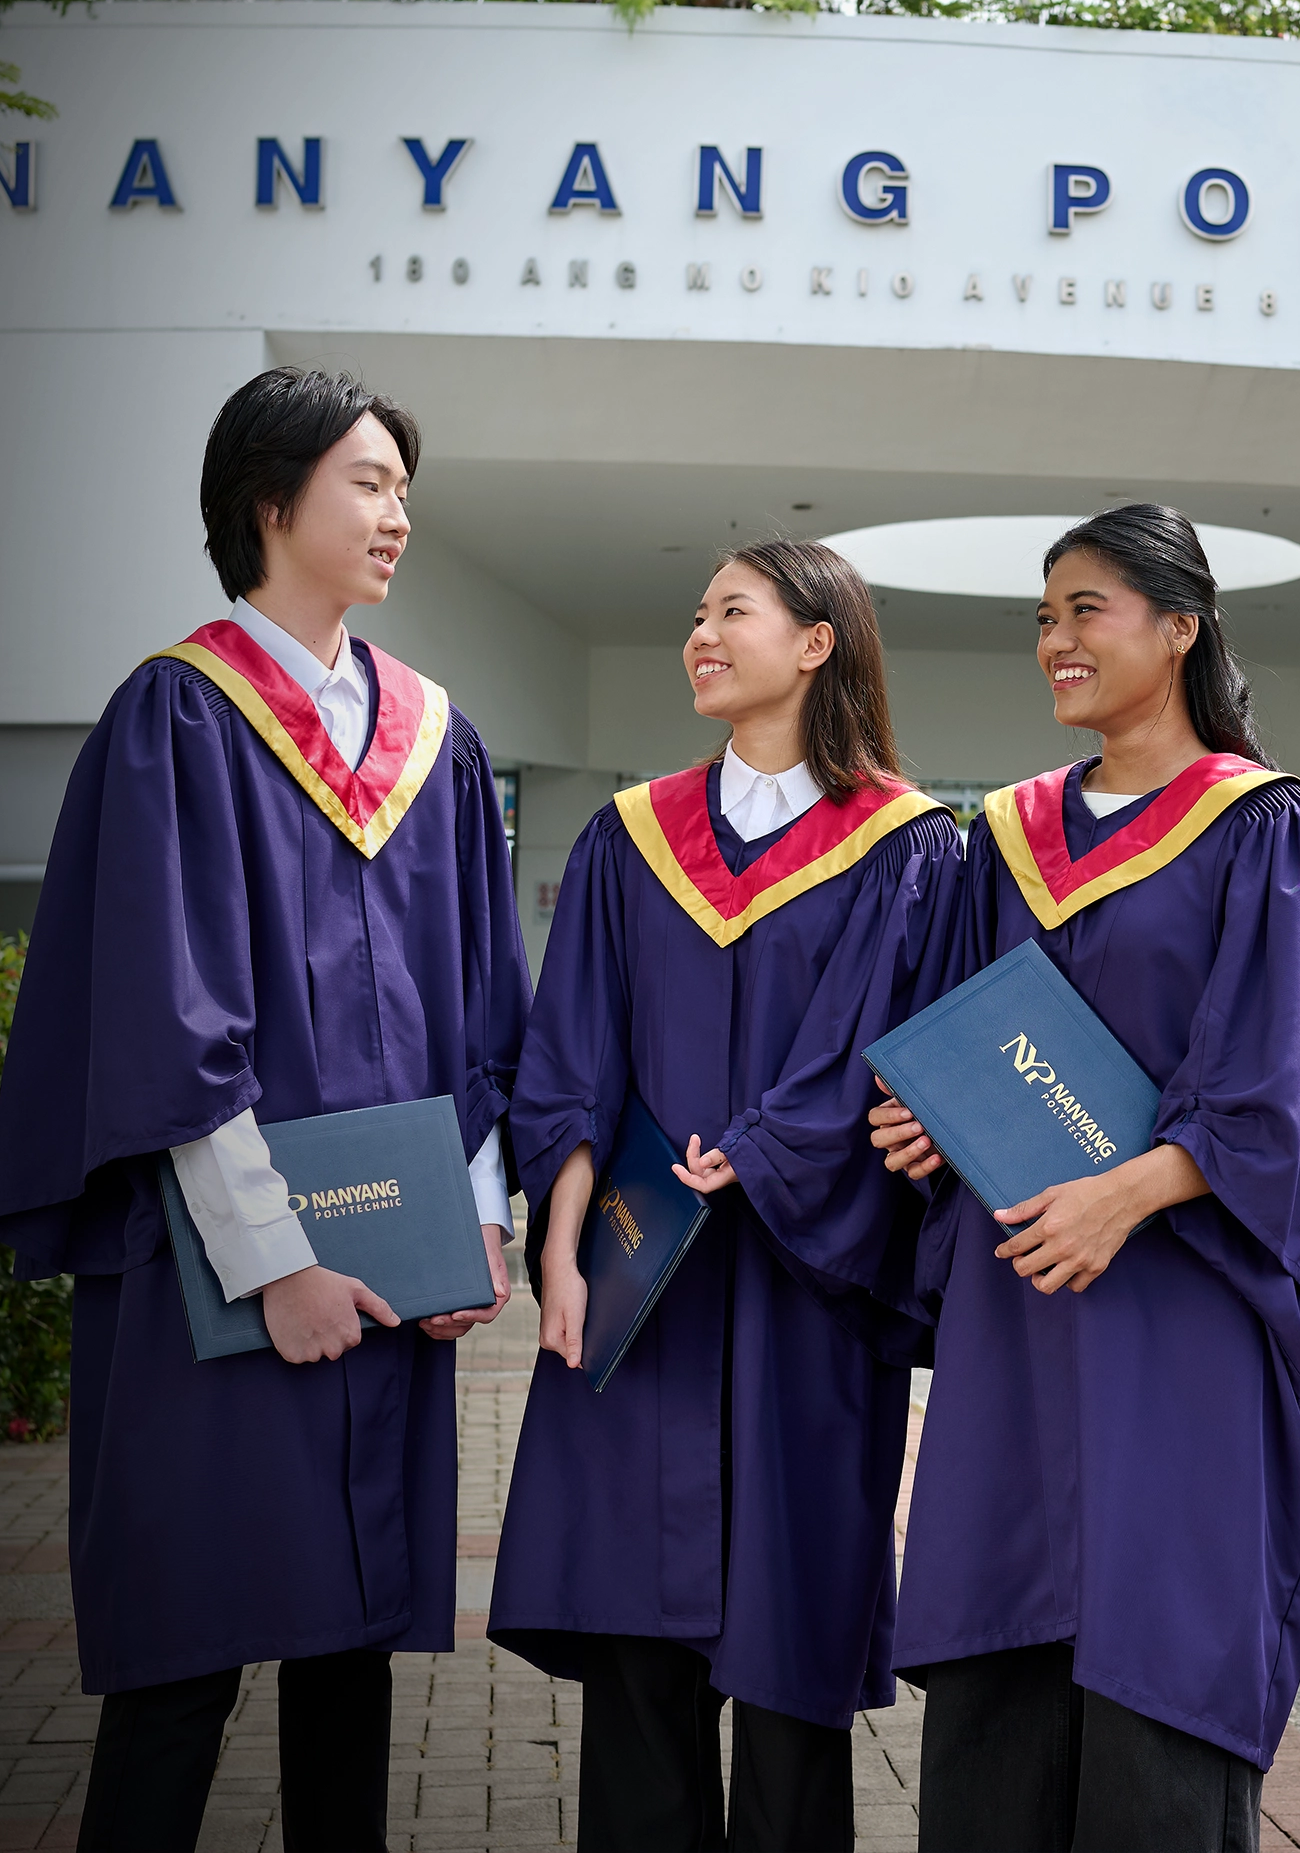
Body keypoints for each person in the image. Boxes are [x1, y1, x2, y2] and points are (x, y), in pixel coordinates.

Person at [0, 367, 528, 1851]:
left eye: (404, 486)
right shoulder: (179, 716)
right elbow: (170, 1022)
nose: (397, 513)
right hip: (212, 1275)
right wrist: (276, 1262)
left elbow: (484, 1012)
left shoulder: (434, 738)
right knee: (184, 1657)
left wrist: (475, 1223)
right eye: (366, 481)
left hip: (397, 1277)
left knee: (350, 1648)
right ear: (266, 500)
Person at [864, 504, 1300, 1853]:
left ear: (1180, 628)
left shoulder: (1270, 836)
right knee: (1008, 1629)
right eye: (1043, 617)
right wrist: (926, 1125)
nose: (1054, 641)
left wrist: (1126, 1195)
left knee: (1162, 1644)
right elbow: (961, 1039)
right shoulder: (1002, 837)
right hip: (1019, 1308)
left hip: (1181, 1305)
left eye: (1086, 610)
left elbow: (1288, 1084)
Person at [487, 541, 973, 1852]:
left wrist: (772, 1151)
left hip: (803, 1296)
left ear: (817, 643)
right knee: (639, 1666)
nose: (700, 634)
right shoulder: (627, 839)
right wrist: (566, 1248)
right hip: (643, 1285)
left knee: (788, 1659)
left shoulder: (910, 851)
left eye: (732, 612)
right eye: (696, 615)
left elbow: (900, 1060)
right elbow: (569, 1054)